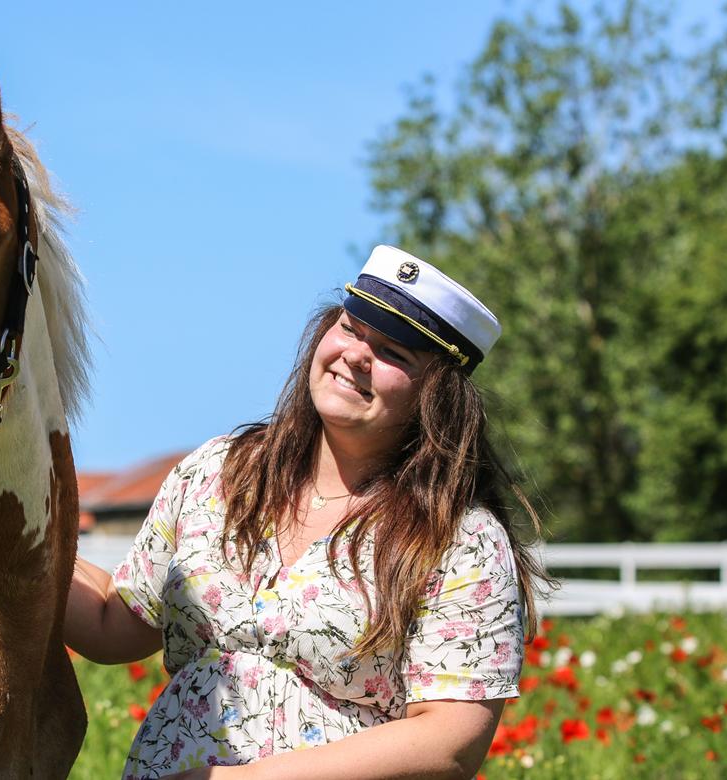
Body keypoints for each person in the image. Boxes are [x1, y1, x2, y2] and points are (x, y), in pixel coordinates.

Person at [65, 246, 549, 779]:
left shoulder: (460, 538)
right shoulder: (216, 474)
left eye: (395, 353)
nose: (357, 355)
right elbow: (116, 622)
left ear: (437, 395)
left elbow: (448, 742)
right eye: (351, 327)